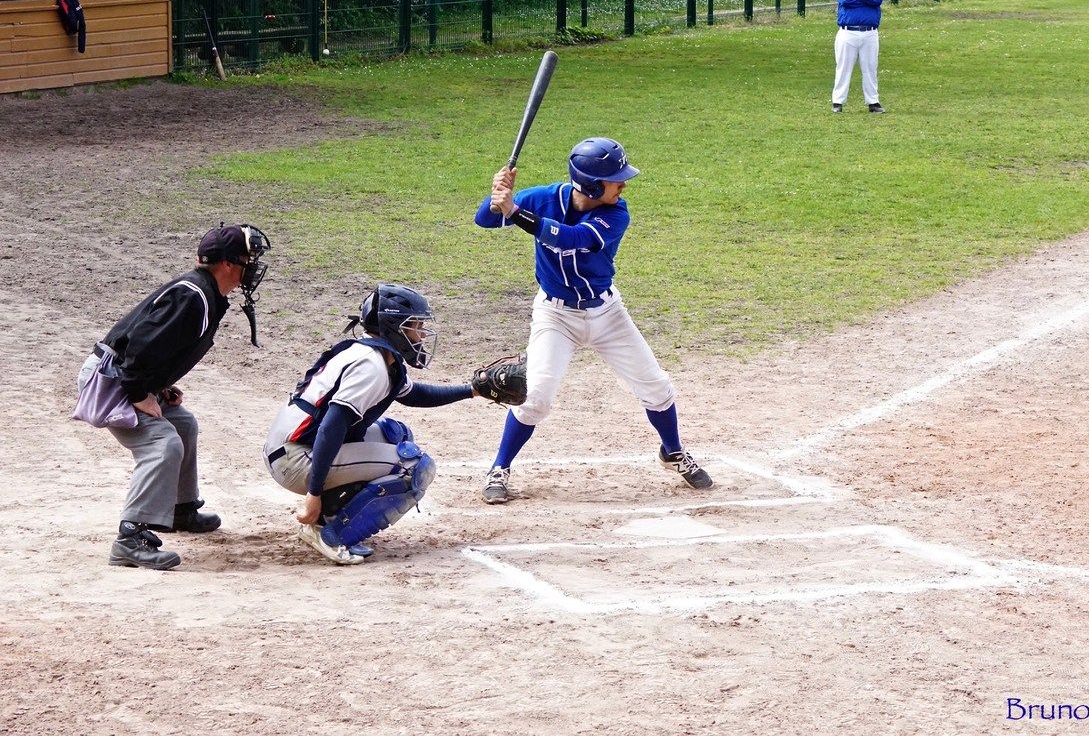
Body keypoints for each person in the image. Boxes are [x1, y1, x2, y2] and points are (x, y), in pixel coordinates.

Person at [473, 137, 712, 504]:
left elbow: (571, 238)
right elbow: (485, 220)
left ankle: (673, 451)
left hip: (607, 314)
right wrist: (498, 196)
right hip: (555, 315)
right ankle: (499, 468)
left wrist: (515, 211)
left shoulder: (617, 214)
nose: (624, 185)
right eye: (616, 180)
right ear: (591, 185)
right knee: (535, 397)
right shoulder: (541, 199)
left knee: (657, 387)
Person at [79, 224, 271, 570]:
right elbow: (138, 347)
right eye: (248, 259)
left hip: (126, 374)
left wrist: (160, 385)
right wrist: (140, 393)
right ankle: (130, 539)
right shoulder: (192, 297)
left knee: (182, 424)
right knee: (162, 443)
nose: (252, 267)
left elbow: (158, 347)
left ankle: (180, 510)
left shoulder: (205, 293)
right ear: (228, 264)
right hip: (112, 380)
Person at [263, 283, 484, 565]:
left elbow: (414, 395)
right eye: (415, 326)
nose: (421, 335)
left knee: (397, 435)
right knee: (414, 467)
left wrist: (473, 390)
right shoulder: (370, 367)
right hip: (294, 458)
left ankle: (329, 513)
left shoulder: (375, 356)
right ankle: (331, 534)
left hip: (294, 446)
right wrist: (314, 493)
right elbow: (332, 427)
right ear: (392, 327)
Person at [832, 0, 886, 114]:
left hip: (870, 32)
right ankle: (838, 102)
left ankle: (873, 102)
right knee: (843, 68)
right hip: (848, 31)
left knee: (870, 68)